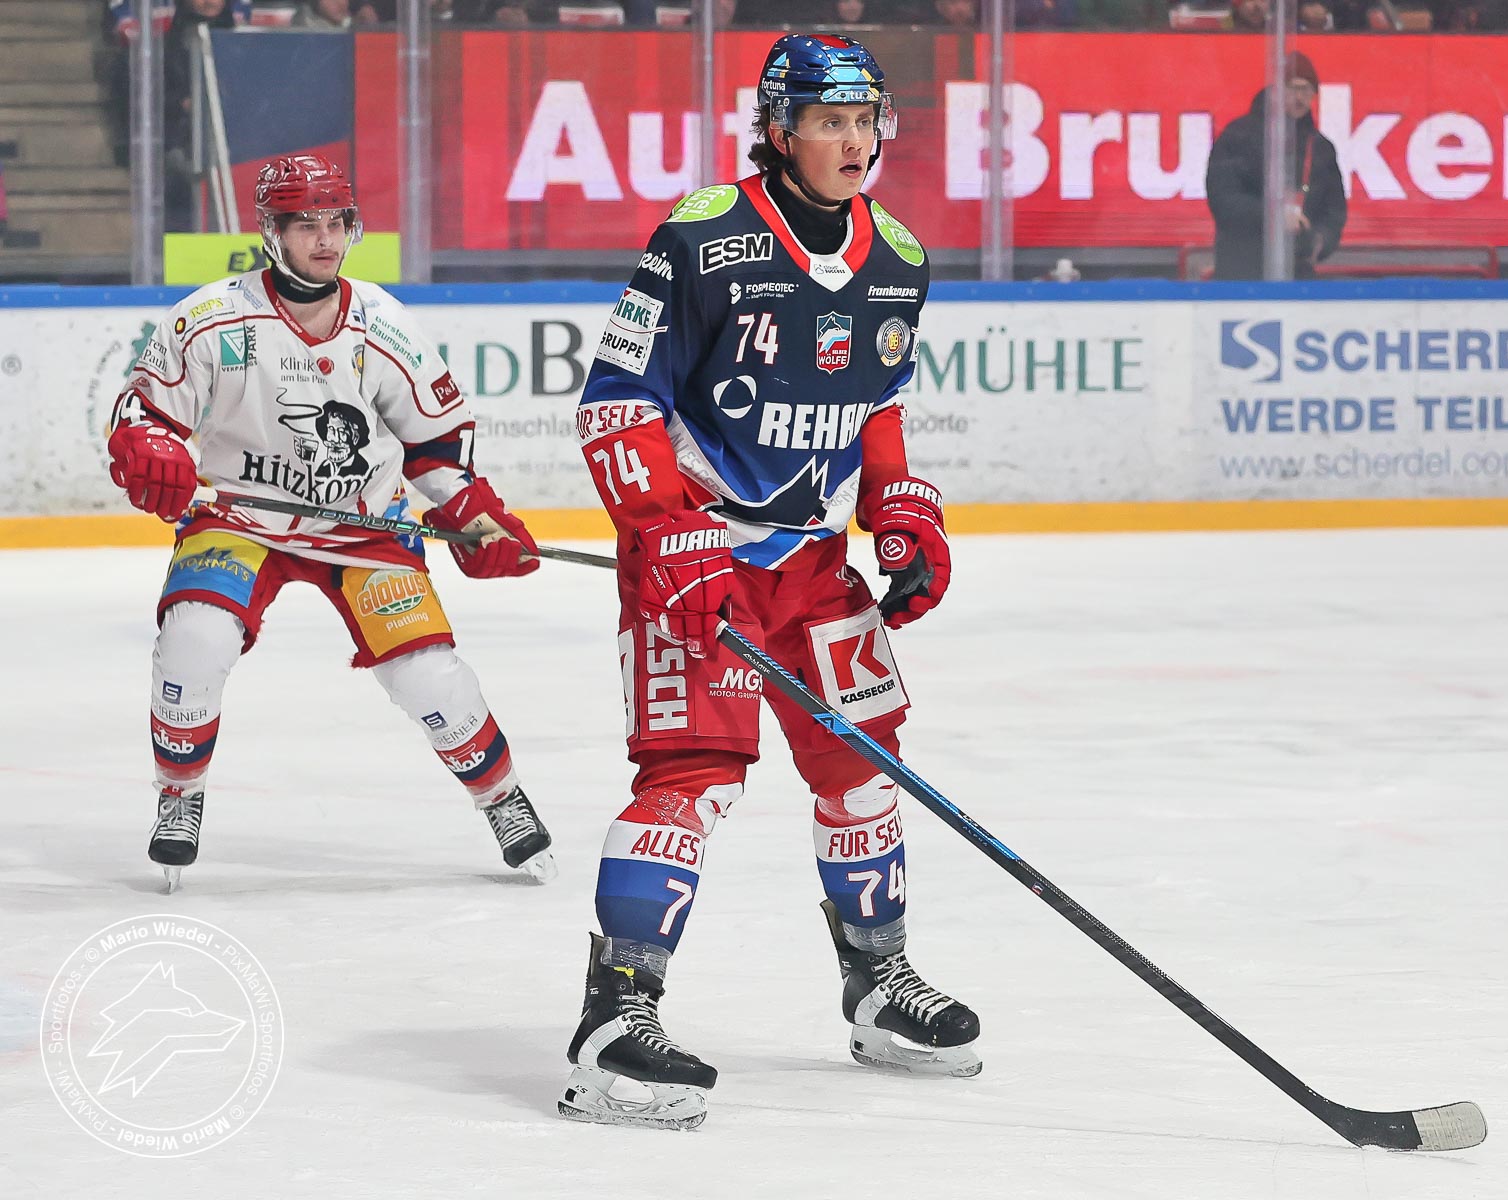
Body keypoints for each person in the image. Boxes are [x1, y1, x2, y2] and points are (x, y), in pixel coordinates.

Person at [560, 33, 977, 1130]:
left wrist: (898, 506)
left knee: (866, 763)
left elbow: (877, 401)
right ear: (781, 131)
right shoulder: (704, 238)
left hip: (812, 566)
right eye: (831, 122)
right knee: (692, 778)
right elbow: (616, 401)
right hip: (697, 557)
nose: (855, 141)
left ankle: (879, 986)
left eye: (866, 120)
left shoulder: (899, 256)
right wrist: (664, 530)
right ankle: (615, 1016)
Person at [104, 153, 554, 891]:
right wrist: (150, 449)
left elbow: (434, 444)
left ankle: (502, 798)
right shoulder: (209, 318)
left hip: (364, 528)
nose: (323, 239)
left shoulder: (383, 324)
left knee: (429, 675)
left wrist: (472, 513)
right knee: (194, 639)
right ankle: (179, 794)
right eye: (304, 224)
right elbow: (145, 415)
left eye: (335, 222)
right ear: (271, 232)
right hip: (242, 520)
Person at [1204, 52, 1346, 281]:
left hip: (1298, 272)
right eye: (1293, 88)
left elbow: (1334, 210)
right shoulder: (1238, 136)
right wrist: (1273, 216)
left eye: (1307, 91)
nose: (1299, 98)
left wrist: (1318, 242)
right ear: (1276, 90)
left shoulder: (1321, 148)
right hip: (1241, 271)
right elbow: (1223, 199)